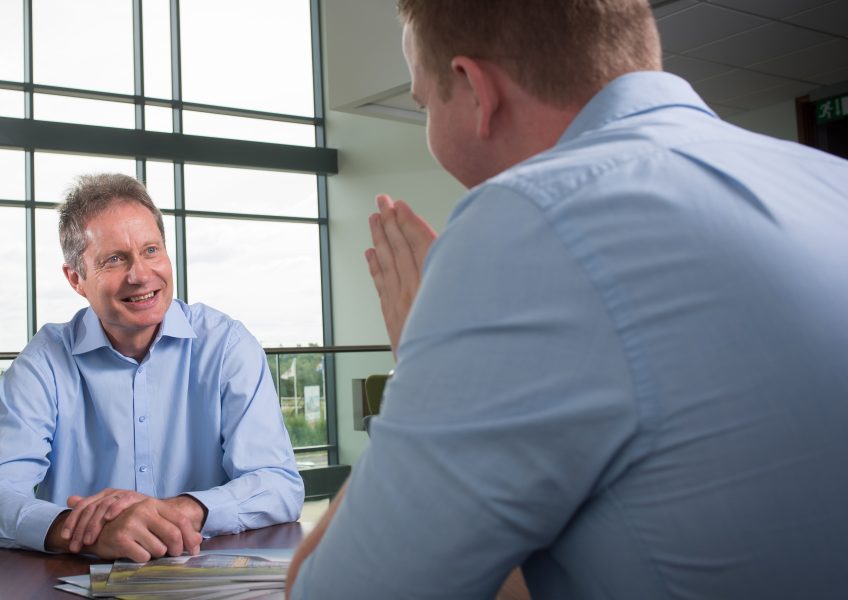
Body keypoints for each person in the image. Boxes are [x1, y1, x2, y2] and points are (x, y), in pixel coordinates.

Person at [287, 0, 848, 598]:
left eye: (424, 103)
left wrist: (416, 363)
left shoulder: (529, 221)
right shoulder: (826, 179)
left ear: (477, 90)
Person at [0, 173, 303, 562]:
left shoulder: (227, 345)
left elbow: (278, 484)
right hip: (77, 584)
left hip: (207, 577)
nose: (140, 274)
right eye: (115, 259)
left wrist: (171, 513)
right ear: (77, 279)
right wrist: (90, 533)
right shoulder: (45, 362)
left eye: (151, 250)